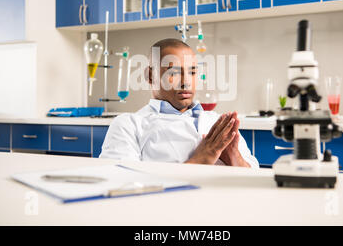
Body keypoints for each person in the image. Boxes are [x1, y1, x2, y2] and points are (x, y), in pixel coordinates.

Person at [99, 38, 259, 168]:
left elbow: (253, 180)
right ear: (150, 76)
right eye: (173, 72)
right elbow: (122, 184)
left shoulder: (217, 123)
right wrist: (202, 158)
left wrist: (234, 157)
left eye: (192, 72)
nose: (186, 82)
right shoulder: (129, 125)